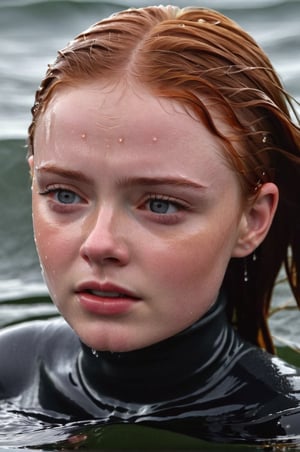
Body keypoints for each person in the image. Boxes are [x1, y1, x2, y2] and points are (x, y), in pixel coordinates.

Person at [1, 4, 300, 448]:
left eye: (160, 204)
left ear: (251, 220)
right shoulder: (11, 370)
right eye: (64, 195)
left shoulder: (284, 422)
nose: (99, 243)